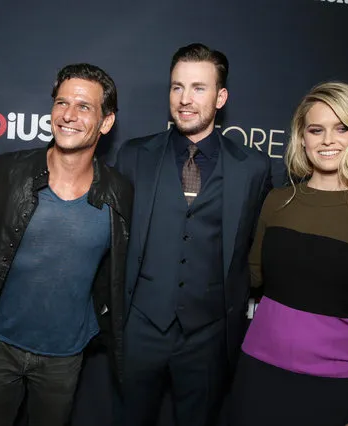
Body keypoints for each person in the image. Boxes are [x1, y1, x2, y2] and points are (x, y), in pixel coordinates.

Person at [229, 82, 348, 426]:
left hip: (329, 388)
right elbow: (248, 276)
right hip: (256, 374)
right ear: (302, 138)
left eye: (342, 128)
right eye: (317, 129)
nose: (328, 140)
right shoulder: (276, 202)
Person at [114, 43, 271, 426]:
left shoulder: (252, 167)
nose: (185, 99)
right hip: (141, 328)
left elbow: (263, 246)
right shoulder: (134, 155)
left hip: (209, 336)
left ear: (221, 97)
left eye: (198, 88)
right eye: (176, 87)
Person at [0, 63, 132, 426]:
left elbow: (121, 275)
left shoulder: (121, 193)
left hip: (65, 358)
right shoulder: (4, 172)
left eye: (84, 106)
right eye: (61, 103)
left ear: (106, 122)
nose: (68, 115)